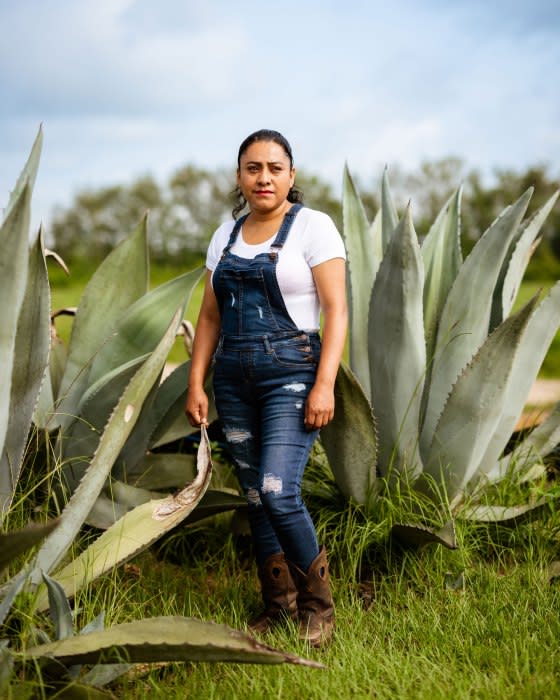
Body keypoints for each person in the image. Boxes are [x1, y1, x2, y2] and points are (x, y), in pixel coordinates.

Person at [185, 129, 347, 647]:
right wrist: (196, 382)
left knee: (280, 490)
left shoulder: (314, 229)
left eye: (275, 168)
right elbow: (210, 317)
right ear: (239, 177)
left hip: (292, 375)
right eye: (253, 168)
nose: (264, 178)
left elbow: (337, 312)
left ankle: (318, 608)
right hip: (233, 377)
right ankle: (277, 605)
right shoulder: (225, 237)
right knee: (256, 495)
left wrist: (325, 384)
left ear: (291, 176)